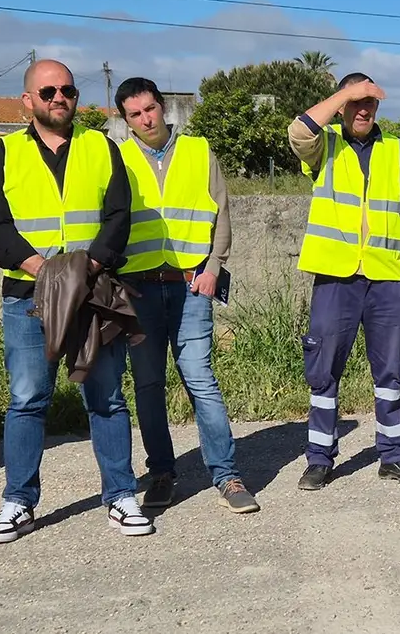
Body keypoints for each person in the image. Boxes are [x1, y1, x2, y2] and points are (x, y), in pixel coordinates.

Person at [0, 59, 153, 542]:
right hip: (27, 297)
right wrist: (50, 273)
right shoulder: (5, 151)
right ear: (28, 100)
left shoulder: (101, 145)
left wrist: (85, 270)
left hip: (94, 295)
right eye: (49, 91)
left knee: (107, 398)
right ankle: (18, 501)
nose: (60, 98)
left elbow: (119, 215)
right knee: (27, 400)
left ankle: (120, 494)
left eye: (69, 90)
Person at [113, 77, 259, 515]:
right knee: (149, 385)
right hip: (137, 288)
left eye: (151, 109)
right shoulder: (116, 158)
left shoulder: (198, 150)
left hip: (191, 285)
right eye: (135, 114)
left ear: (163, 108)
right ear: (126, 119)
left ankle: (226, 474)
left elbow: (222, 210)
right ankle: (162, 473)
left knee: (200, 379)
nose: (146, 119)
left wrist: (214, 267)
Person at [288, 72, 400, 489]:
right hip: (336, 275)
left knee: (390, 369)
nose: (363, 109)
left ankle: (394, 455)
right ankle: (319, 458)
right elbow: (298, 131)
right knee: (324, 369)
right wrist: (346, 92)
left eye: (370, 102)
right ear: (344, 104)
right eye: (356, 102)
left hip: (385, 278)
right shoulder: (325, 145)